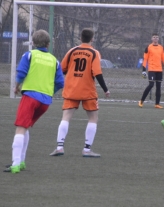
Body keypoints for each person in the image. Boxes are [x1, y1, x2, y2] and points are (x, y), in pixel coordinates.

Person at [4, 30, 64, 173]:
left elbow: (22, 73)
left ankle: (16, 164)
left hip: (30, 96)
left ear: (33, 43)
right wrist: (49, 91)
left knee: (20, 127)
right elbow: (60, 82)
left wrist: (16, 87)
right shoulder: (55, 61)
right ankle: (21, 161)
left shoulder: (29, 55)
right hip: (45, 102)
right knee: (25, 127)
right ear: (48, 44)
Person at [49, 28, 110, 158]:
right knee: (93, 118)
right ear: (92, 39)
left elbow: (62, 69)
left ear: (80, 38)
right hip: (88, 91)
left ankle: (59, 147)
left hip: (71, 89)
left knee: (66, 117)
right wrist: (105, 89)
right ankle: (86, 150)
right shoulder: (94, 53)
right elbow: (97, 73)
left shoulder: (72, 51)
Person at [138, 32, 164, 109]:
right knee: (151, 85)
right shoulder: (148, 47)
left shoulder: (161, 48)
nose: (155, 39)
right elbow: (145, 59)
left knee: (158, 86)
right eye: (154, 37)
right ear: (151, 38)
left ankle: (157, 104)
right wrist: (143, 70)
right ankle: (141, 101)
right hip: (151, 69)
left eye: (157, 37)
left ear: (158, 39)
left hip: (159, 70)